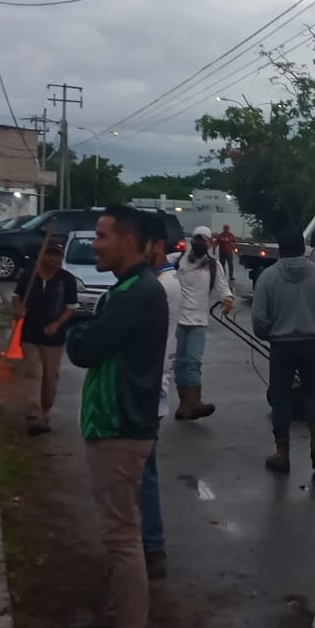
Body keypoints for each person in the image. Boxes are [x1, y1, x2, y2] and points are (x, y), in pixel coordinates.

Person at [64, 205, 169, 628]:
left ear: (129, 242)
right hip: (116, 423)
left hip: (120, 425)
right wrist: (86, 325)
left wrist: (75, 328)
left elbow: (84, 350)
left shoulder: (137, 293)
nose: (94, 245)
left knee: (124, 537)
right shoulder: (128, 288)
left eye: (103, 235)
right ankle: (115, 615)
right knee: (117, 531)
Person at [250, 226, 315, 473]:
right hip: (312, 342)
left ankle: (282, 453)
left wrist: (268, 334)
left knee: (280, 397)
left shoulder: (268, 276)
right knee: (313, 393)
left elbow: (259, 318)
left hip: (282, 345)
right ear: (303, 248)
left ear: (281, 250)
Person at [139, 213, 180, 580]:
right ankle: (149, 545)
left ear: (155, 246)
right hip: (153, 389)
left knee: (142, 473)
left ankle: (152, 546)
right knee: (142, 471)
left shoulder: (161, 286)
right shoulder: (162, 280)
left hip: (149, 391)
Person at [11, 239, 80, 436]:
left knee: (50, 377)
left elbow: (71, 308)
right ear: (41, 254)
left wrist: (57, 324)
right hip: (30, 334)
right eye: (49, 253)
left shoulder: (66, 279)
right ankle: (33, 417)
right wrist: (17, 310)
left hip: (54, 337)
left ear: (61, 258)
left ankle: (44, 411)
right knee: (34, 371)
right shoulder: (29, 275)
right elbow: (17, 297)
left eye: (56, 255)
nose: (52, 258)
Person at [171, 226, 232, 421]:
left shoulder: (213, 266)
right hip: (177, 321)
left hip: (198, 321)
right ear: (192, 240)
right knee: (180, 363)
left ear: (209, 243)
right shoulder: (176, 260)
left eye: (203, 240)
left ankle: (194, 402)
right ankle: (185, 404)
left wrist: (227, 299)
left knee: (192, 362)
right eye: (196, 238)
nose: (199, 242)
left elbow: (222, 286)